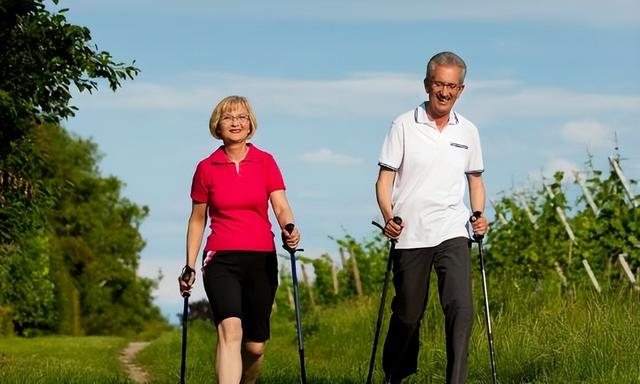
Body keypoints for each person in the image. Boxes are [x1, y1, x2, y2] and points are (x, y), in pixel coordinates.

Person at [375, 51, 489, 384]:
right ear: (427, 85)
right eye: (439, 84)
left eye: (451, 86)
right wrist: (389, 215)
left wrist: (478, 215)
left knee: (460, 309)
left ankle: (456, 380)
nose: (444, 92)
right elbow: (384, 181)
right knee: (409, 314)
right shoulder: (403, 125)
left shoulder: (468, 131)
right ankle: (395, 374)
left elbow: (475, 180)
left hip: (453, 229)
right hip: (410, 233)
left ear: (461, 89)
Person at [179, 95, 300, 384]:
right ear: (217, 126)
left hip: (262, 258)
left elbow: (281, 205)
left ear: (250, 125)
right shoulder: (206, 168)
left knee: (254, 346)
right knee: (230, 330)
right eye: (228, 117)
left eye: (242, 117)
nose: (235, 123)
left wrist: (289, 227)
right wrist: (189, 265)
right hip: (221, 258)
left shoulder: (266, 161)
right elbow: (198, 219)